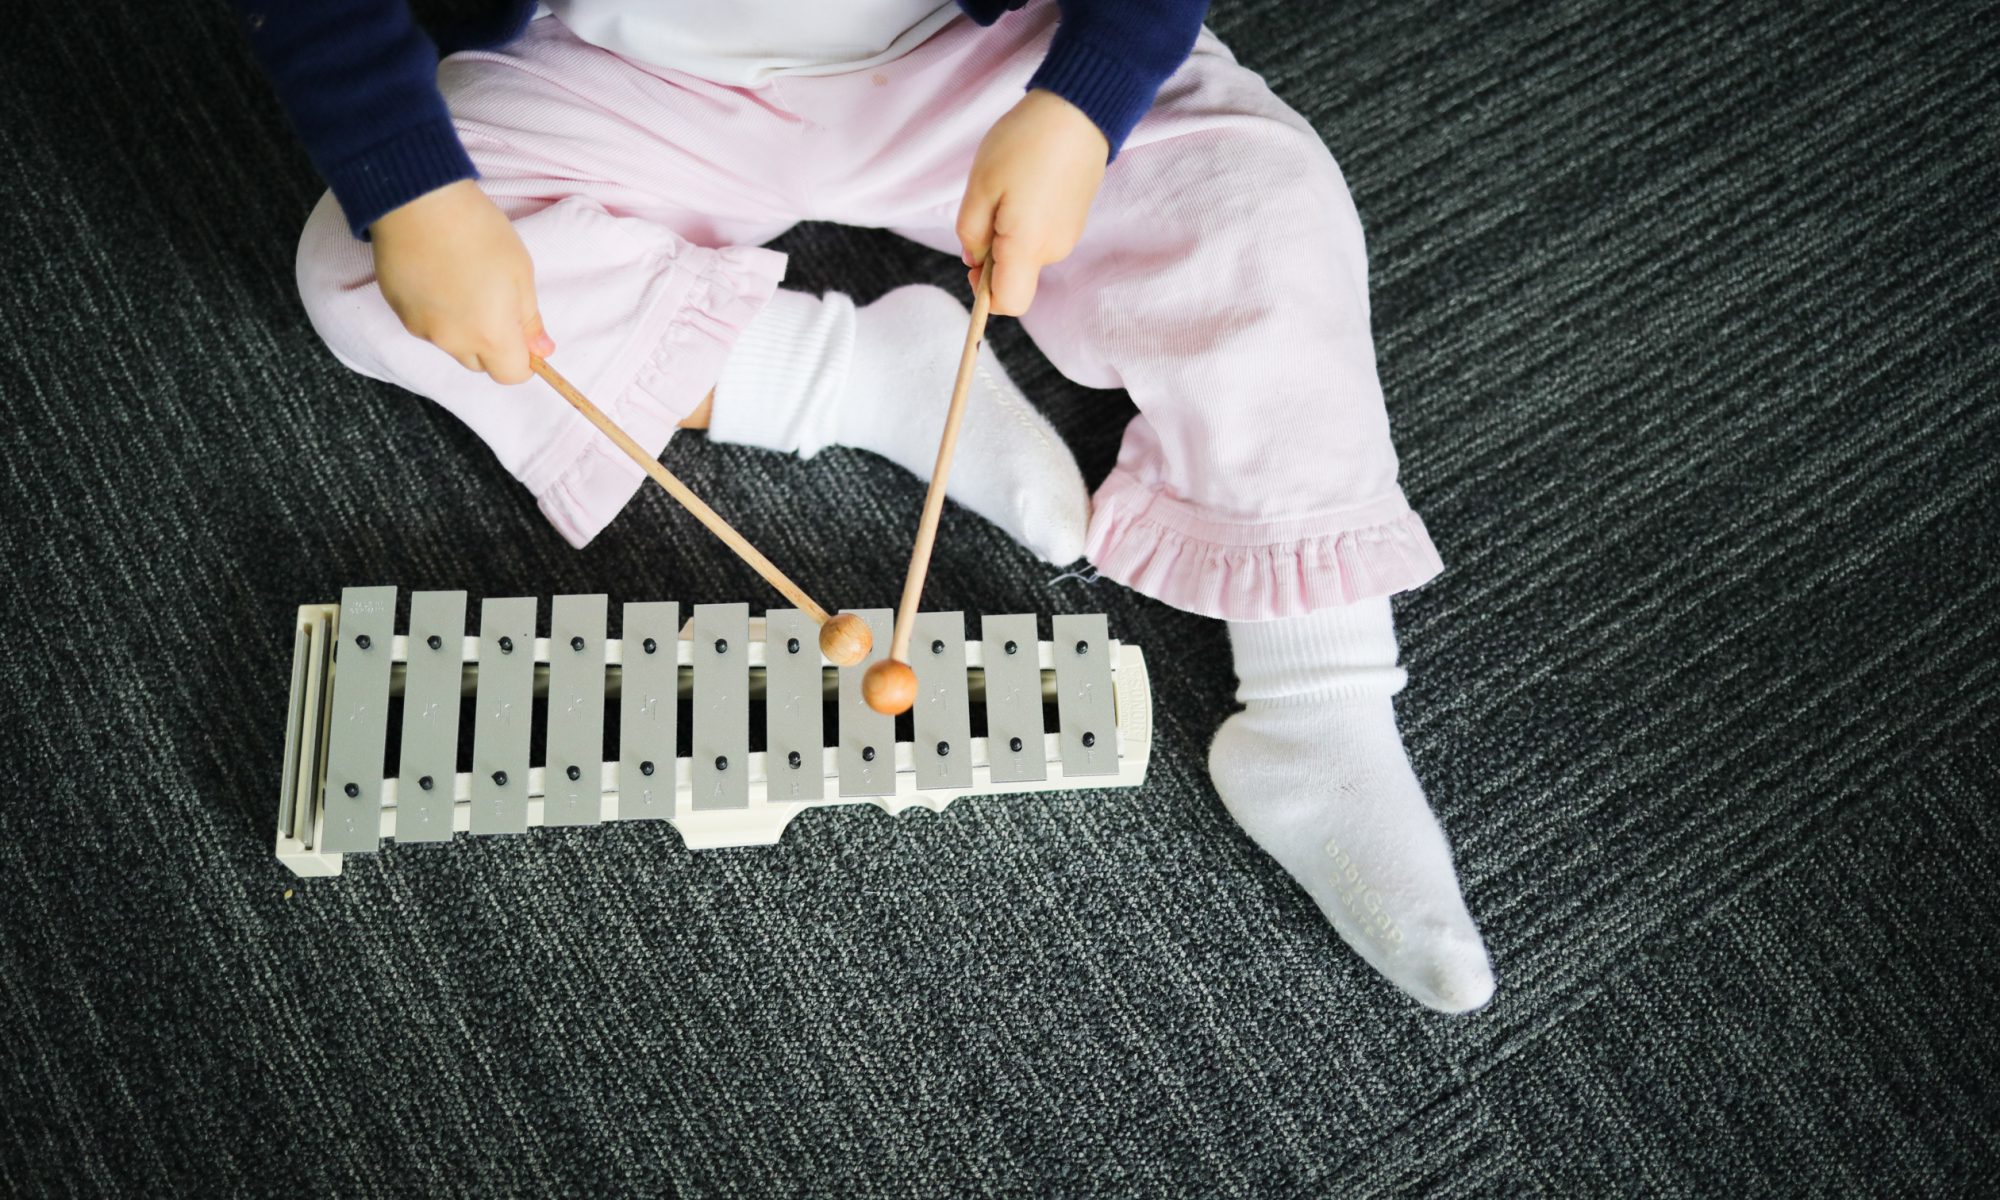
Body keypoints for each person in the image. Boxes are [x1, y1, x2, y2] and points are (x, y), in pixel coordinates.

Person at [240, 0, 1496, 1011]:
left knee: (1260, 209)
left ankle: (1314, 704)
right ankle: (849, 374)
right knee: (357, 267)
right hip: (620, 70)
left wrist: (1088, 93)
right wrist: (410, 189)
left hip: (979, 56)